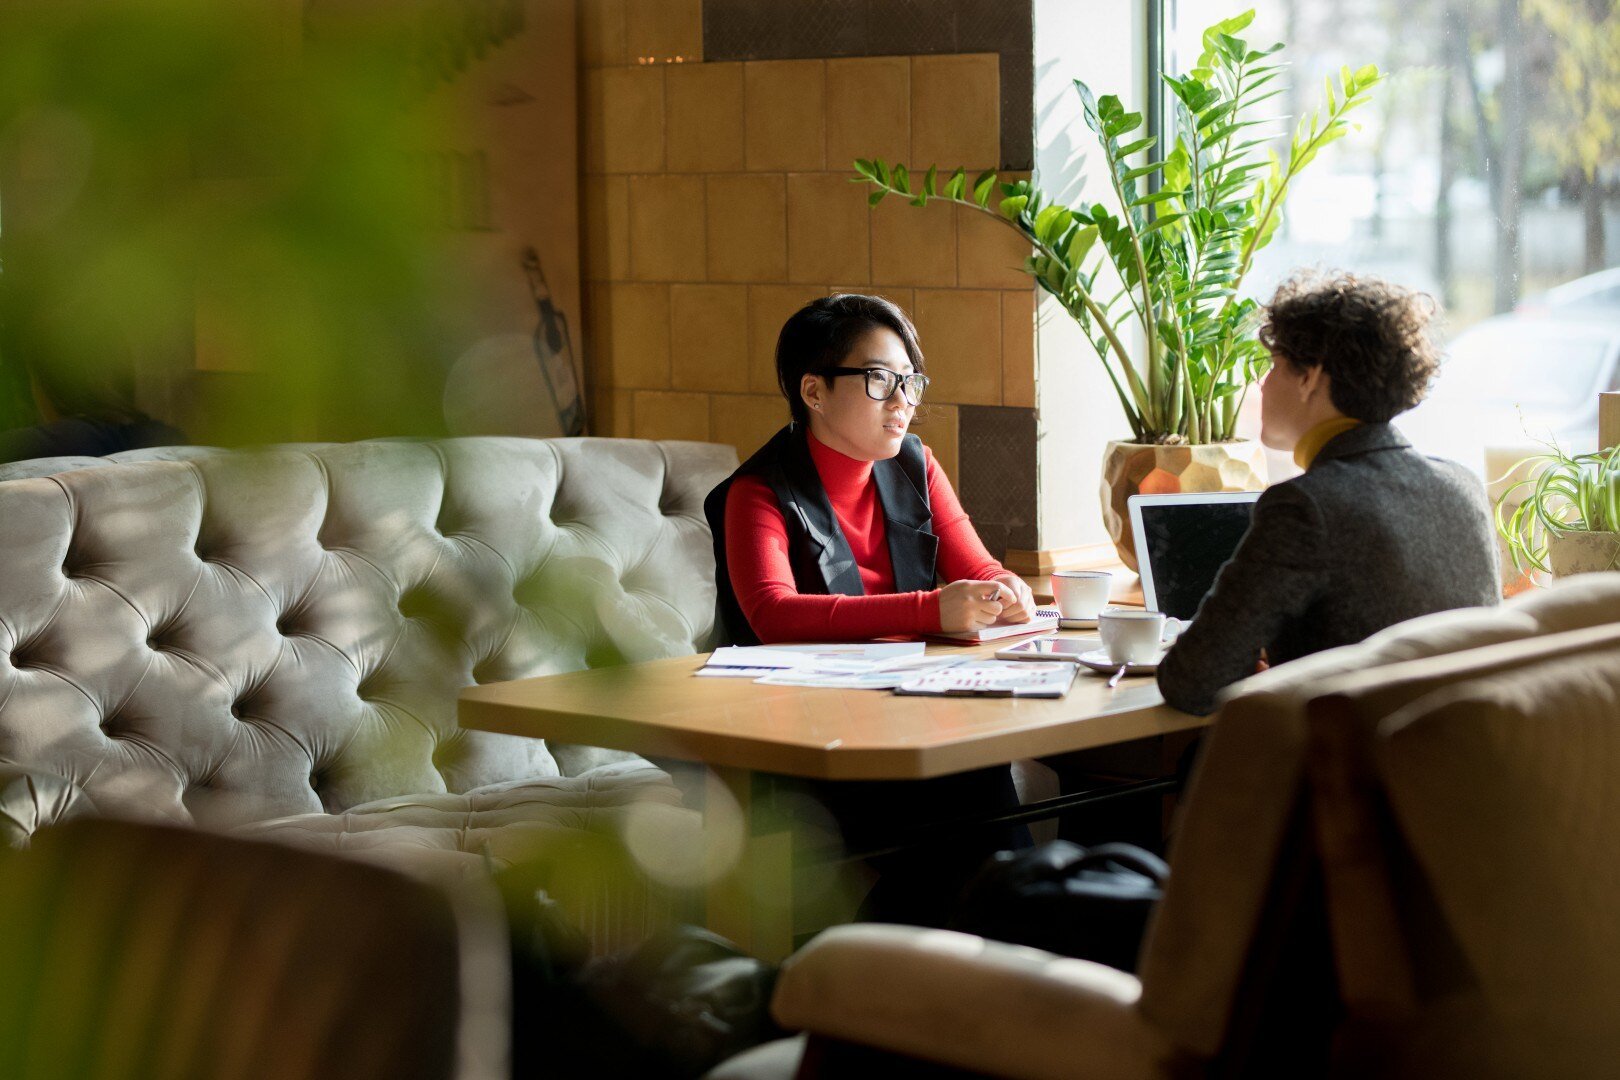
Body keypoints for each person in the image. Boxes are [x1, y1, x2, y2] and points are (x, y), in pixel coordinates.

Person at [702, 293, 1037, 925]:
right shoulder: (757, 492)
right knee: (968, 803)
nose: (903, 399)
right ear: (815, 391)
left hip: (902, 712)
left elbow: (979, 568)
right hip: (805, 735)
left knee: (974, 777)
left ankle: (927, 977)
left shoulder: (917, 465)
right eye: (880, 379)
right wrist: (932, 611)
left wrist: (1006, 590)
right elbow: (774, 614)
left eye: (910, 381)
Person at [1157, 271, 1500, 716]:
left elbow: (1190, 681)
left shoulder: (1305, 506)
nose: (1262, 385)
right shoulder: (1463, 486)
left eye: (1275, 366)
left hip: (1346, 775)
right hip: (1450, 771)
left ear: (1311, 377)